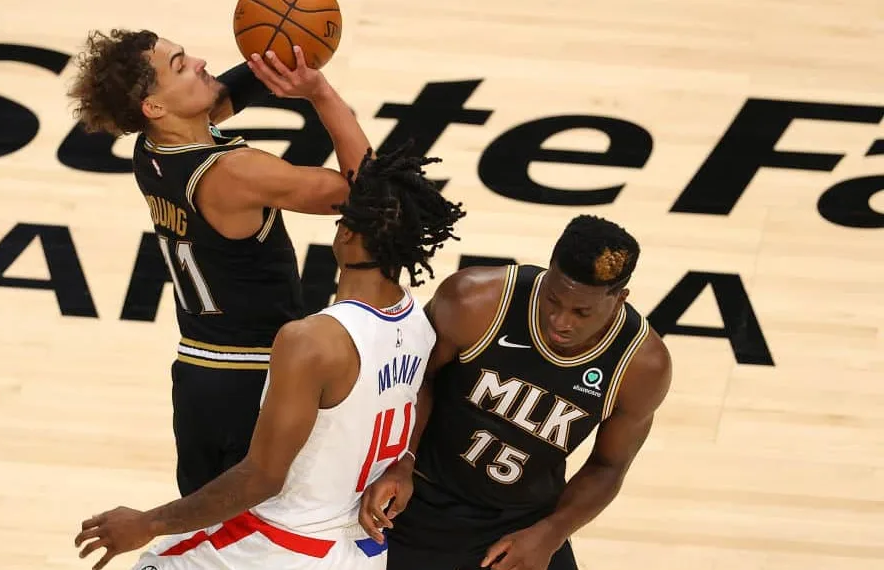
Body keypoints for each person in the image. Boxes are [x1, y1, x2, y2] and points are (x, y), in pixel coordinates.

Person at [72, 145, 468, 570]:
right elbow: (424, 392)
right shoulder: (420, 326)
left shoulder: (311, 341)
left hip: (275, 547)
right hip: (358, 554)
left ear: (346, 233)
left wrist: (148, 523)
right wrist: (405, 461)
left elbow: (261, 478)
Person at [66, 29, 373, 497]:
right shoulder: (234, 173)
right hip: (257, 379)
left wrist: (283, 50)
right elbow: (368, 192)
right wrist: (321, 93)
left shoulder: (151, 149)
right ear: (154, 106)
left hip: (198, 377)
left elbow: (229, 92)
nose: (201, 62)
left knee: (205, 536)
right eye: (181, 65)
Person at [359, 214, 674, 570]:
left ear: (620, 299)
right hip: (420, 496)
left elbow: (608, 466)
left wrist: (551, 532)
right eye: (552, 299)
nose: (560, 321)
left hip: (523, 521)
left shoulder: (642, 366)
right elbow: (413, 381)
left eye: (581, 312)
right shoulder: (475, 301)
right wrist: (401, 459)